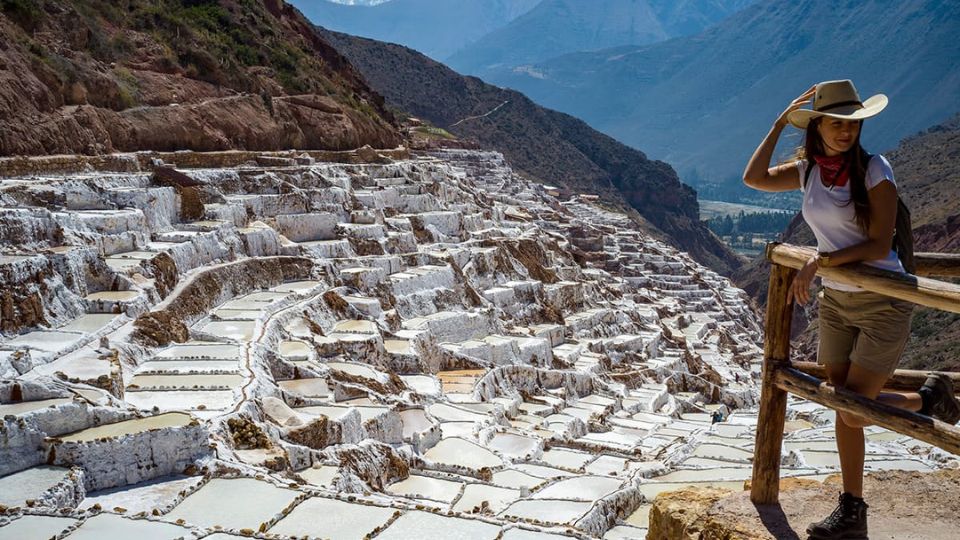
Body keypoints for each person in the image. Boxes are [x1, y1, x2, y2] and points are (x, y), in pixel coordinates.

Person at [742, 79, 960, 540]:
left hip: (881, 301)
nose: (846, 132)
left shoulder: (875, 169)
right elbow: (754, 178)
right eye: (837, 123)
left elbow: (879, 243)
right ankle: (853, 507)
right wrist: (781, 123)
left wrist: (818, 261)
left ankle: (927, 399)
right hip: (838, 301)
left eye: (853, 123)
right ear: (816, 125)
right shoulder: (808, 169)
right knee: (838, 400)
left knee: (852, 409)